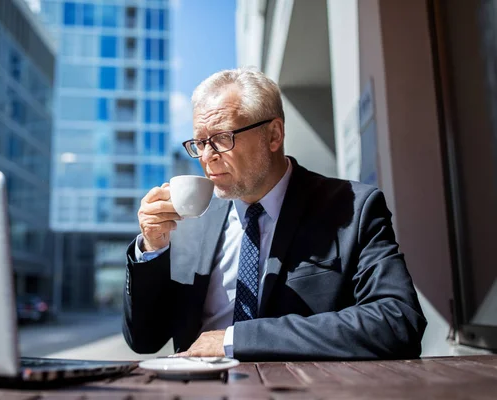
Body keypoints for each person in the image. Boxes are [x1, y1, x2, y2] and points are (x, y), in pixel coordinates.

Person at [122, 68, 426, 361]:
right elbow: (145, 340)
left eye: (222, 138)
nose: (206, 156)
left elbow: (396, 321)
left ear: (274, 135)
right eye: (200, 142)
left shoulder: (353, 208)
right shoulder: (192, 220)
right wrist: (152, 248)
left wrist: (235, 340)